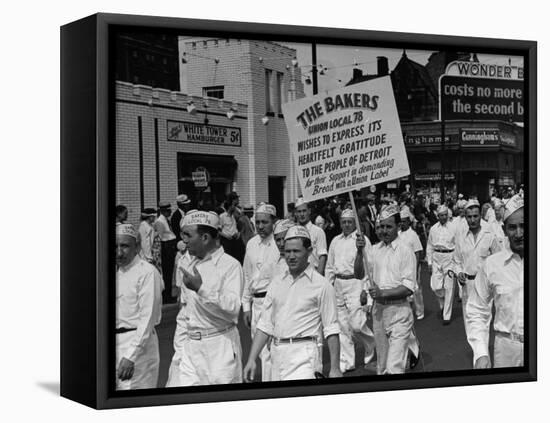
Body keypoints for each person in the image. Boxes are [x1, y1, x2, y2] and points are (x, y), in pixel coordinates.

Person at [243, 225, 342, 381]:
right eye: (287, 251)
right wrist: (251, 359)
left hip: (305, 357)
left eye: (296, 251)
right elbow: (265, 324)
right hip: (277, 355)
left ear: (309, 252)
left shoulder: (322, 285)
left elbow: (331, 328)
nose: (291, 256)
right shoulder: (276, 283)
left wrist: (335, 368)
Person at [166, 210, 244, 386]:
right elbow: (184, 313)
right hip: (190, 350)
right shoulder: (186, 263)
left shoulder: (230, 266)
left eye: (188, 235)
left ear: (205, 238)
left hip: (220, 348)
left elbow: (232, 306)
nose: (183, 240)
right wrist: (179, 353)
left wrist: (201, 289)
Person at [355, 205, 417, 374]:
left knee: (394, 366)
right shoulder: (374, 250)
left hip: (399, 311)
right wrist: (359, 252)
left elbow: (408, 287)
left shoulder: (405, 251)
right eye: (380, 227)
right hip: (379, 313)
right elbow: (359, 273)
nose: (384, 231)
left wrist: (383, 293)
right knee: (382, 366)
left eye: (388, 226)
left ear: (398, 227)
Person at [466, 194, 524, 368]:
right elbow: (477, 310)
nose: (519, 233)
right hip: (506, 349)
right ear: (504, 229)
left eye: (524, 226)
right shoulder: (492, 265)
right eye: (513, 227)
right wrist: (481, 353)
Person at [325, 209, 375, 373]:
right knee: (342, 326)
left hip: (355, 283)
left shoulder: (362, 240)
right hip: (339, 284)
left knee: (356, 325)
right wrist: (328, 286)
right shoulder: (335, 241)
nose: (346, 225)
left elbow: (369, 268)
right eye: (344, 221)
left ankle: (371, 344)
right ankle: (347, 361)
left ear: (355, 223)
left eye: (350, 222)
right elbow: (330, 267)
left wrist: (366, 292)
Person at [115, 223, 163, 390]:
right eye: (115, 246)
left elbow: (147, 319)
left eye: (125, 246)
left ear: (136, 246)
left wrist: (131, 356)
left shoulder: (147, 273)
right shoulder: (114, 271)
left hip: (137, 347)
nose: (119, 252)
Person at [241, 204, 280, 381]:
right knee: (260, 351)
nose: (261, 226)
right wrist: (246, 306)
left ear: (273, 222)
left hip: (273, 303)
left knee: (270, 351)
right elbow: (247, 276)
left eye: (265, 222)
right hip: (255, 304)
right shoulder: (251, 244)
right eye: (257, 222)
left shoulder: (279, 244)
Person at [453, 199, 501, 338]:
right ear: (465, 217)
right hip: (467, 284)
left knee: (483, 322)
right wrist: (459, 272)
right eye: (469, 216)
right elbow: (456, 261)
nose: (472, 220)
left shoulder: (489, 235)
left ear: (480, 216)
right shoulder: (461, 237)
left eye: (475, 216)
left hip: (484, 286)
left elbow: (497, 260)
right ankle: (477, 353)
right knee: (469, 321)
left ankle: (481, 354)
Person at [426, 204, 457, 324]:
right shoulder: (433, 228)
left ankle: (447, 315)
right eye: (441, 215)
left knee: (449, 287)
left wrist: (457, 261)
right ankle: (442, 303)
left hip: (449, 257)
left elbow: (458, 244)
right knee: (435, 286)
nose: (444, 217)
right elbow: (429, 245)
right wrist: (429, 262)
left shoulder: (454, 228)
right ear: (437, 216)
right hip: (436, 257)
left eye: (445, 215)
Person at [398, 207, 425, 320]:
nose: (402, 224)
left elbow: (418, 252)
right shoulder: (398, 234)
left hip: (412, 265)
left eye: (404, 221)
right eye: (401, 221)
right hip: (400, 266)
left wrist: (417, 267)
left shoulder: (413, 235)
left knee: (416, 289)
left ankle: (419, 310)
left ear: (408, 221)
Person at [294, 197, 328, 275]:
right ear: (296, 213)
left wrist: (319, 278)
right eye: (299, 212)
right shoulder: (293, 231)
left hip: (313, 274)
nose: (302, 214)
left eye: (304, 211)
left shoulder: (318, 231)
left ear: (309, 211)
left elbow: (322, 256)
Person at [154, 201, 177, 303]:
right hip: (166, 247)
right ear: (163, 211)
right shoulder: (160, 221)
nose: (170, 212)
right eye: (168, 211)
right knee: (167, 273)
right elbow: (160, 237)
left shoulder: (165, 220)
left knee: (169, 272)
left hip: (170, 245)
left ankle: (168, 294)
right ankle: (166, 296)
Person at [219, 191, 244, 263]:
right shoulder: (222, 216)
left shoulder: (234, 216)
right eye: (234, 206)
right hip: (227, 241)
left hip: (235, 240)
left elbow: (241, 225)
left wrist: (238, 233)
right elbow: (218, 230)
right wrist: (226, 236)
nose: (235, 208)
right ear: (230, 206)